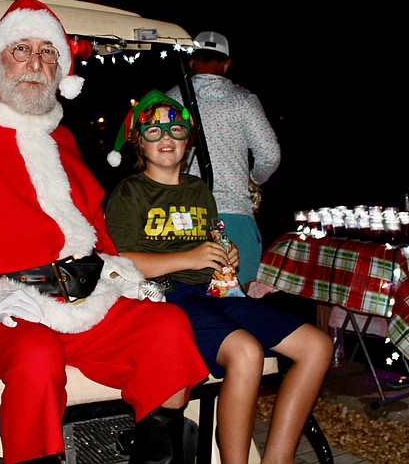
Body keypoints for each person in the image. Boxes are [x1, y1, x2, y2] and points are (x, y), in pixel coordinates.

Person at [0, 0, 209, 464]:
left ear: (61, 70)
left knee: (167, 328)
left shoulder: (60, 138)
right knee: (37, 352)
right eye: (21, 49)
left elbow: (93, 230)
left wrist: (123, 279)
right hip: (0, 310)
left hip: (77, 296)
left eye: (48, 53)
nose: (35, 63)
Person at [104, 90, 332, 464]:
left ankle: (278, 459)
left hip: (212, 295)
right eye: (155, 131)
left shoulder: (198, 190)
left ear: (189, 141)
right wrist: (189, 257)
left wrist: (226, 255)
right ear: (138, 142)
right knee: (246, 351)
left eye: (176, 130)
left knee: (317, 346)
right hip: (164, 299)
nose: (166, 138)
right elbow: (119, 262)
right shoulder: (130, 192)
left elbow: (214, 240)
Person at [165, 32, 280, 290]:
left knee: (188, 306)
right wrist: (255, 179)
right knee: (241, 303)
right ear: (226, 64)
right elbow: (270, 154)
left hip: (181, 217)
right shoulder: (243, 101)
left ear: (191, 61)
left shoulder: (171, 99)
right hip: (234, 217)